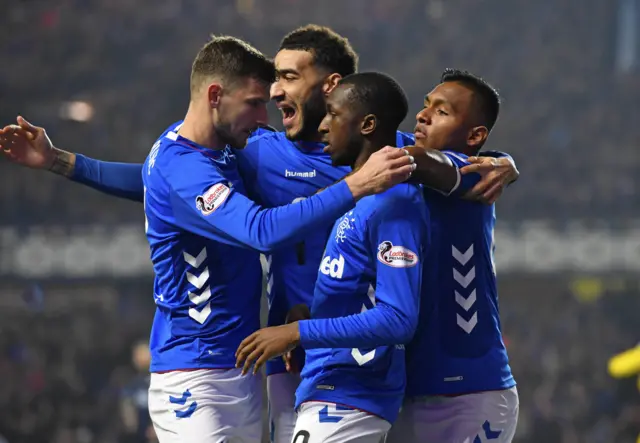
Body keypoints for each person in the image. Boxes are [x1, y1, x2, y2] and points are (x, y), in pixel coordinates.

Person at [0, 25, 518, 443]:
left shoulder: (383, 154)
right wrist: (63, 162)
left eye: (289, 77)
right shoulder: (260, 153)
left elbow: (462, 168)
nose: (275, 91)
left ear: (332, 86)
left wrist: (503, 163)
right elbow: (162, 180)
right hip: (288, 358)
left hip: (364, 359)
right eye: (273, 80)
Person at [236, 72, 429, 443]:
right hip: (330, 389)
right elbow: (360, 297)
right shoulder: (358, 200)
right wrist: (308, 317)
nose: (323, 127)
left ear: (367, 125)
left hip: (352, 395)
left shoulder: (396, 204)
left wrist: (296, 333)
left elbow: (398, 318)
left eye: (333, 114)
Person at [386, 69, 519, 443]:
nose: (422, 115)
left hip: (472, 393)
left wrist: (504, 163)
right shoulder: (414, 171)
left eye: (441, 112)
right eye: (425, 106)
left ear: (475, 136)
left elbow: (423, 162)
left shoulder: (475, 176)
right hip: (410, 391)